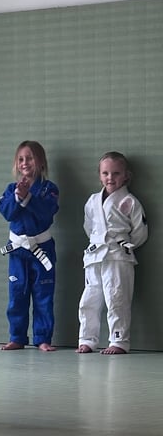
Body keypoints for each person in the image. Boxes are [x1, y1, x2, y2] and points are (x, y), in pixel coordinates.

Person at [76, 151, 148, 355]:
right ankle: (87, 339)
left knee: (117, 298)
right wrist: (99, 241)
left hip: (118, 256)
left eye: (116, 173)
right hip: (95, 255)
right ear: (99, 175)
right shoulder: (92, 201)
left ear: (126, 175)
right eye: (105, 173)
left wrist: (125, 245)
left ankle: (119, 340)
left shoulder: (130, 201)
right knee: (89, 299)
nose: (110, 177)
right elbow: (89, 227)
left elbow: (140, 231)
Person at [0, 141, 59, 352]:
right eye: (21, 159)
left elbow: (46, 212)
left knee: (43, 295)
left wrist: (29, 198)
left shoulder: (49, 189)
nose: (25, 163)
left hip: (42, 249)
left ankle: (43, 338)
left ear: (41, 162)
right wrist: (18, 197)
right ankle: (17, 337)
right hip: (17, 251)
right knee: (17, 294)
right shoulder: (11, 189)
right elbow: (7, 213)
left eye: (30, 158)